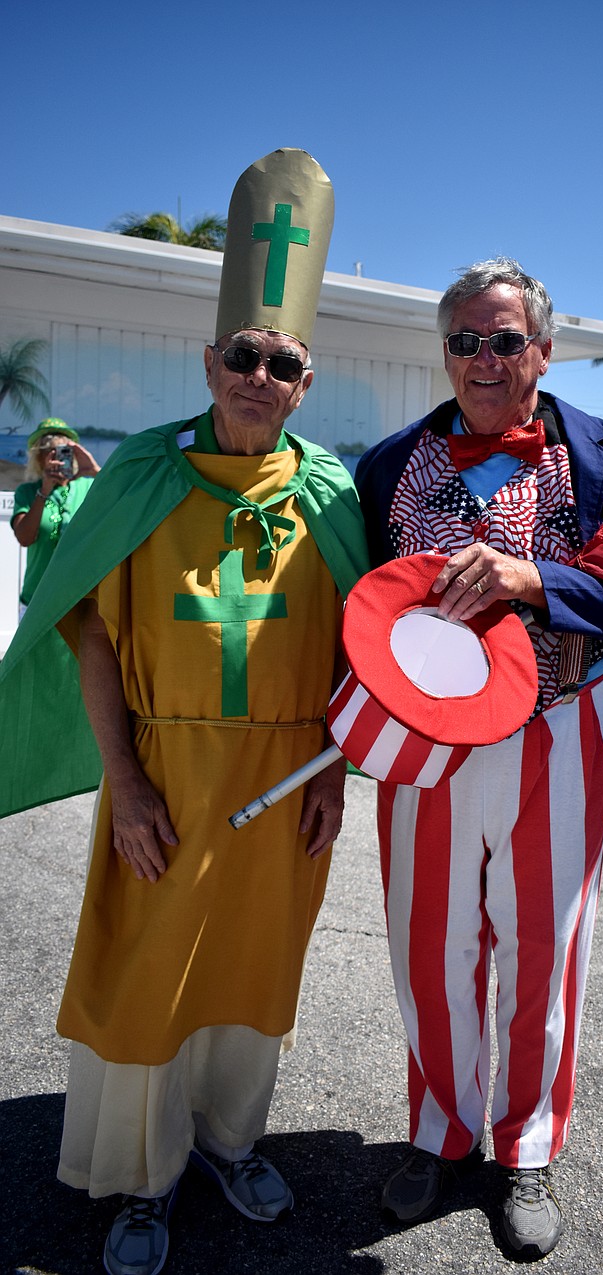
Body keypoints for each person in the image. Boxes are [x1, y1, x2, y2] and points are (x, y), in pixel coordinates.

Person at [0, 150, 367, 1275]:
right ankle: (141, 1177)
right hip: (163, 776)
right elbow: (92, 635)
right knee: (148, 977)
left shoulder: (333, 495)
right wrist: (124, 785)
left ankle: (228, 1141)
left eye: (281, 362)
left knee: (256, 975)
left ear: (306, 382)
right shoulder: (140, 479)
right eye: (242, 355)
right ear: (210, 362)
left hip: (286, 783)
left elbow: (363, 652)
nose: (259, 374)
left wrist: (335, 775)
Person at [355, 258, 603, 1261]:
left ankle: (526, 1149)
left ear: (542, 350)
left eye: (504, 340)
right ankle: (441, 1132)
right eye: (465, 341)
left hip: (563, 728)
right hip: (428, 742)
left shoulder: (602, 455)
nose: (483, 359)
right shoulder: (388, 465)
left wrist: (533, 580)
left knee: (546, 948)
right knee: (431, 946)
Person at [11, 418, 100, 615]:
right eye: (50, 452)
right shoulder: (28, 492)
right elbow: (24, 538)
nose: (59, 459)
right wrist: (44, 491)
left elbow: (127, 503)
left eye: (65, 452)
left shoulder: (89, 487)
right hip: (37, 598)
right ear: (38, 458)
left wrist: (96, 471)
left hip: (79, 599)